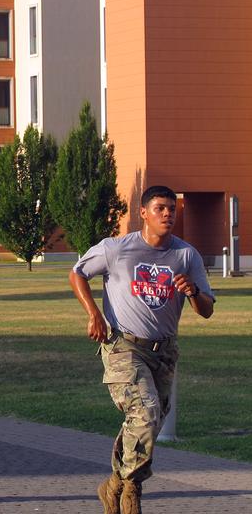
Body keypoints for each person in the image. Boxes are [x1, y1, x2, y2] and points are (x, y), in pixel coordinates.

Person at [69, 185, 214, 514]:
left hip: (164, 351)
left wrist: (191, 291)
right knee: (146, 412)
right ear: (143, 213)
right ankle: (132, 488)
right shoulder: (117, 249)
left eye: (172, 209)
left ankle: (115, 484)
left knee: (149, 421)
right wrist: (94, 313)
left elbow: (206, 310)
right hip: (123, 345)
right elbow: (77, 272)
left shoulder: (186, 255)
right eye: (160, 208)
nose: (167, 214)